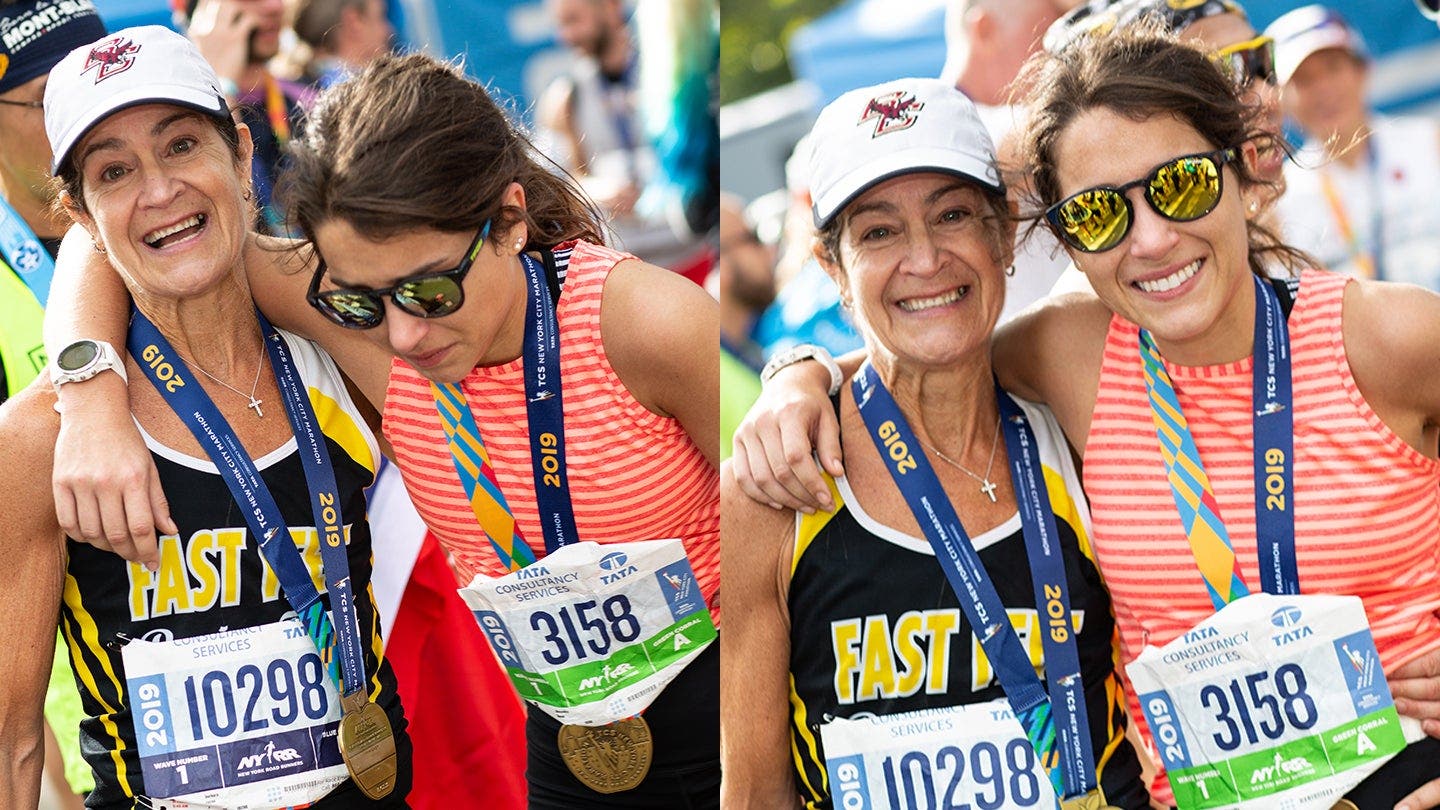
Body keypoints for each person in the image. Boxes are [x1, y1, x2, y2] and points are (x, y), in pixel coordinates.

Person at [731, 26, 1440, 810]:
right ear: (1065, 238)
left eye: (1180, 186)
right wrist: (799, 376)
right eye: (1100, 214)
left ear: (1242, 168)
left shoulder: (1388, 339)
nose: (1152, 239)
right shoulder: (1077, 352)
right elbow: (931, 345)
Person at [47, 51, 721, 809]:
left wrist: (802, 374)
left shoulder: (641, 324)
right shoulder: (359, 322)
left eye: (431, 289)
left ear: (507, 218)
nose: (402, 334)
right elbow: (115, 231)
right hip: (568, 754)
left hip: (732, 737)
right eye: (363, 302)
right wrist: (90, 394)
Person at [8, 25, 413, 807]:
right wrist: (92, 393)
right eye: (114, 171)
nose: (158, 191)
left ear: (239, 149)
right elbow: (10, 743)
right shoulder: (36, 442)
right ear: (80, 214)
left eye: (182, 145)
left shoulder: (340, 352)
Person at [723, 75, 1148, 810]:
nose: (923, 260)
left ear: (1004, 233)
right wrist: (797, 374)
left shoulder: (1079, 420)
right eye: (879, 231)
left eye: (952, 216)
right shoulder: (777, 484)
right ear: (834, 268)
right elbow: (756, 792)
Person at [1043, 0, 1287, 297]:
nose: (1270, 97)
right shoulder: (1080, 324)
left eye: (1261, 60)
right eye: (1228, 71)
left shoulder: (1283, 225)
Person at [1267, 5, 1440, 289]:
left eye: (1334, 68)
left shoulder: (1431, 143)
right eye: (1304, 80)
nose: (1324, 89)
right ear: (1283, 100)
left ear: (1363, 70)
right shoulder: (1280, 202)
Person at [179, 0, 314, 234]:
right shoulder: (178, 122)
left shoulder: (307, 98)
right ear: (202, 14)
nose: (275, 7)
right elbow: (230, 235)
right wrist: (222, 86)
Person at [716, 192, 772, 461]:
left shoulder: (751, 340)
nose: (768, 251)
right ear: (723, 264)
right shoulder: (710, 371)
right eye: (753, 239)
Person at [286, 0, 394, 89]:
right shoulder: (364, 95)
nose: (389, 30)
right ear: (354, 21)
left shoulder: (289, 93)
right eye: (380, 17)